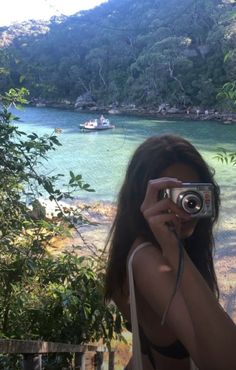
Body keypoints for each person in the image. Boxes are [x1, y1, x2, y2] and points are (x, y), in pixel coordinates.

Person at [104, 134, 236, 370]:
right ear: (142, 199)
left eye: (192, 195)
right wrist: (173, 248)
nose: (185, 207)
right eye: (169, 196)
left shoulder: (143, 247)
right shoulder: (148, 259)